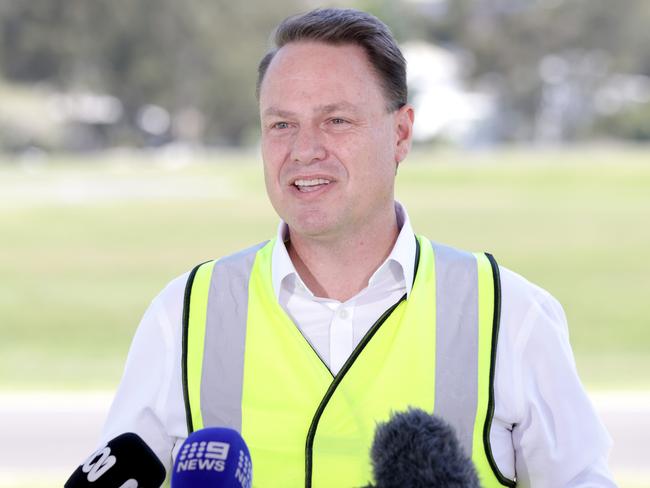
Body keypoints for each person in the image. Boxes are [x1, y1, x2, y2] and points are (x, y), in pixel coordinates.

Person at [99, 8, 616, 487]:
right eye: (282, 124)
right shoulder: (186, 313)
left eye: (336, 120)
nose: (304, 150)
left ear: (401, 134)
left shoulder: (511, 316)